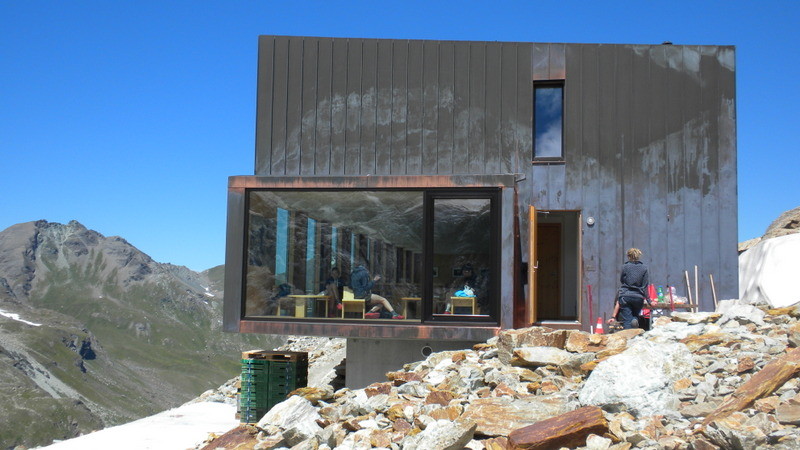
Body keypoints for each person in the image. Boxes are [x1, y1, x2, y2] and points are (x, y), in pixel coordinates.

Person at [609, 248, 650, 329]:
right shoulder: (644, 268)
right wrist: (649, 300)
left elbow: (622, 280)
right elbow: (645, 285)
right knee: (635, 315)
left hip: (626, 295)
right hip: (638, 296)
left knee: (627, 320)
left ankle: (628, 338)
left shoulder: (625, 267)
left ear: (628, 256)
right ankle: (635, 320)